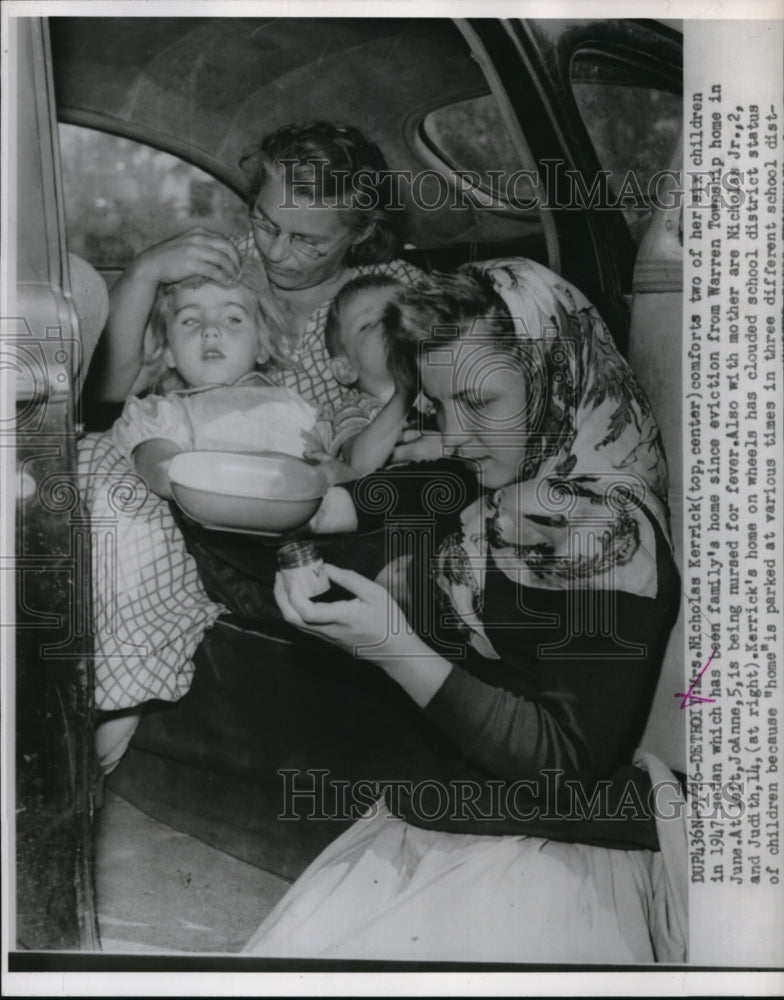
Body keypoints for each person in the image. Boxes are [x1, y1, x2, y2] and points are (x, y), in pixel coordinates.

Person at [242, 258, 686, 963]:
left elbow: (562, 764)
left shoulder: (604, 532)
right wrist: (317, 504)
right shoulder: (538, 459)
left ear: (552, 375)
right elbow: (424, 484)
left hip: (558, 852)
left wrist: (392, 644)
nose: (455, 434)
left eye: (480, 404)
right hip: (474, 803)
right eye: (440, 407)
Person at [112, 265, 330, 500]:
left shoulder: (298, 407)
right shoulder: (168, 413)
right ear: (169, 353)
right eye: (191, 320)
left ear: (262, 346)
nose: (211, 330)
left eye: (233, 319)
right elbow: (162, 472)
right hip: (213, 528)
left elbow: (343, 469)